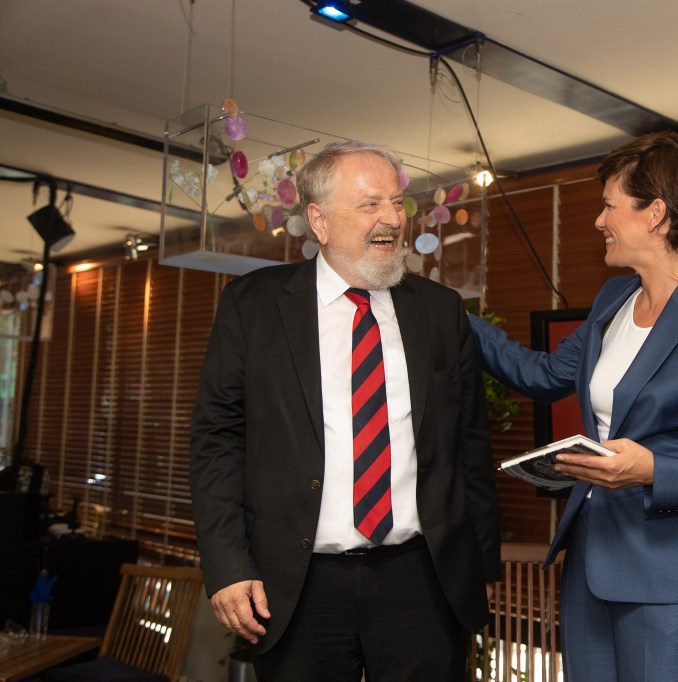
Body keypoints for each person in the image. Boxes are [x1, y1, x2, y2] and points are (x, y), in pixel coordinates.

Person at [470, 131, 678, 681]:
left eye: (609, 206)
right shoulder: (614, 299)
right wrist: (445, 311)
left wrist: (653, 470)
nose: (598, 220)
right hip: (592, 570)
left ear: (656, 214)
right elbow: (544, 375)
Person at [190, 140, 501, 682]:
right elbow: (218, 441)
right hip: (296, 585)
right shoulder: (252, 305)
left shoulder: (440, 310)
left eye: (396, 203)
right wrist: (227, 564)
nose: (392, 219)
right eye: (369, 204)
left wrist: (482, 564)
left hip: (423, 580)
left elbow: (470, 445)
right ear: (320, 221)